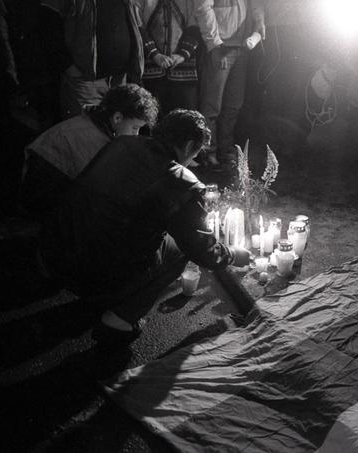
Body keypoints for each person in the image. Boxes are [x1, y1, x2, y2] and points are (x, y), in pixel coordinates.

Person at [39, 109, 251, 342]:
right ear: (190, 144)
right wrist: (231, 254)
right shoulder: (181, 182)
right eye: (197, 152)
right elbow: (200, 248)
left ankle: (97, 295)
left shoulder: (121, 144)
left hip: (54, 251)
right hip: (96, 271)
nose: (193, 160)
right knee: (180, 249)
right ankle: (119, 320)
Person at [21, 84, 159, 217]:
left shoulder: (95, 122)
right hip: (46, 207)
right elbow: (100, 190)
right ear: (117, 118)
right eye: (135, 128)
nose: (136, 135)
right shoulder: (91, 139)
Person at [41, 0, 146, 119]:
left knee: (114, 133)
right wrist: (68, 66)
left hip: (120, 80)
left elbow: (135, 25)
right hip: (85, 82)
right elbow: (49, 28)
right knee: (86, 131)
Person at [196, 0, 266, 169]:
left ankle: (226, 151)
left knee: (233, 105)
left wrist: (260, 21)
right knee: (212, 105)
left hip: (242, 47)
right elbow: (203, 7)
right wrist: (214, 44)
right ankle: (208, 152)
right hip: (221, 47)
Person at [137, 0, 202, 114]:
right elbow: (138, 27)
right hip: (152, 72)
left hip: (183, 73)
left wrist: (182, 54)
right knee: (152, 113)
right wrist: (154, 54)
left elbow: (195, 27)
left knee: (184, 116)